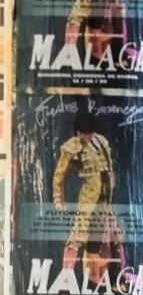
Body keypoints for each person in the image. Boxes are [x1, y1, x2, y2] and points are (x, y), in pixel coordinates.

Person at [52, 110, 119, 280]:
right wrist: (59, 201)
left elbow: (108, 167)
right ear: (78, 132)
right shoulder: (72, 146)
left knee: (105, 234)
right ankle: (66, 277)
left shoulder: (101, 140)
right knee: (78, 235)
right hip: (90, 195)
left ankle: (97, 278)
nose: (88, 138)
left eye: (90, 134)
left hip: (106, 194)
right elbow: (59, 175)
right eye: (85, 134)